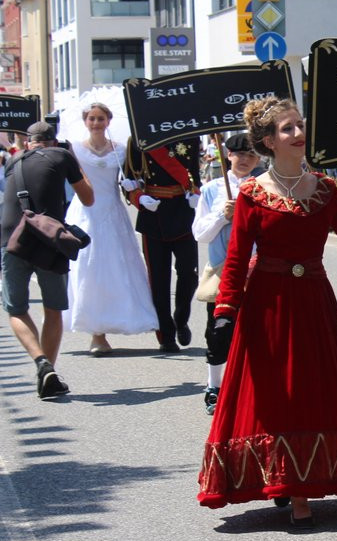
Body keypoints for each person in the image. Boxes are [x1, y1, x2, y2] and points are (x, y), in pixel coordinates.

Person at [197, 97, 337, 528]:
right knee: (277, 396)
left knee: (316, 388)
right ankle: (291, 485)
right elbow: (235, 259)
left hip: (313, 303)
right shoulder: (252, 194)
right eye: (288, 128)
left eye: (300, 125)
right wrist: (225, 314)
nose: (298, 133)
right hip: (267, 304)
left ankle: (314, 476)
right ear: (269, 141)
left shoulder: (324, 188)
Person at [2, 121, 94, 398]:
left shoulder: (13, 162)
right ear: (53, 141)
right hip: (47, 237)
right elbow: (88, 197)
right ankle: (47, 369)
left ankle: (42, 364)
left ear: (28, 142)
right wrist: (73, 159)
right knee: (53, 308)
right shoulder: (62, 155)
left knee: (16, 309)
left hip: (11, 238)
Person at [65, 103, 157, 354]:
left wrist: (131, 184)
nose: (96, 123)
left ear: (108, 121)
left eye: (101, 119)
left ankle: (113, 320)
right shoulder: (73, 148)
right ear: (85, 121)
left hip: (112, 212)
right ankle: (96, 332)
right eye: (92, 118)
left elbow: (134, 175)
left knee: (115, 267)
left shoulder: (120, 149)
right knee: (88, 267)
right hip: (85, 211)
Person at [192, 133, 261, 415]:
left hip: (259, 267)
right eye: (239, 154)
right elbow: (200, 233)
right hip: (224, 269)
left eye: (251, 155)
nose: (244, 160)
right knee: (219, 330)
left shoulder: (263, 187)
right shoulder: (211, 190)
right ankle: (214, 387)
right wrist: (223, 214)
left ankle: (251, 387)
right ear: (228, 155)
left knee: (255, 331)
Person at [123, 130, 202, 352]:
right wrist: (138, 198)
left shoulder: (189, 136)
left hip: (183, 211)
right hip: (153, 213)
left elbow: (193, 174)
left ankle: (181, 317)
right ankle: (165, 334)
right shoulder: (139, 140)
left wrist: (196, 192)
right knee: (158, 278)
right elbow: (128, 179)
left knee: (188, 272)